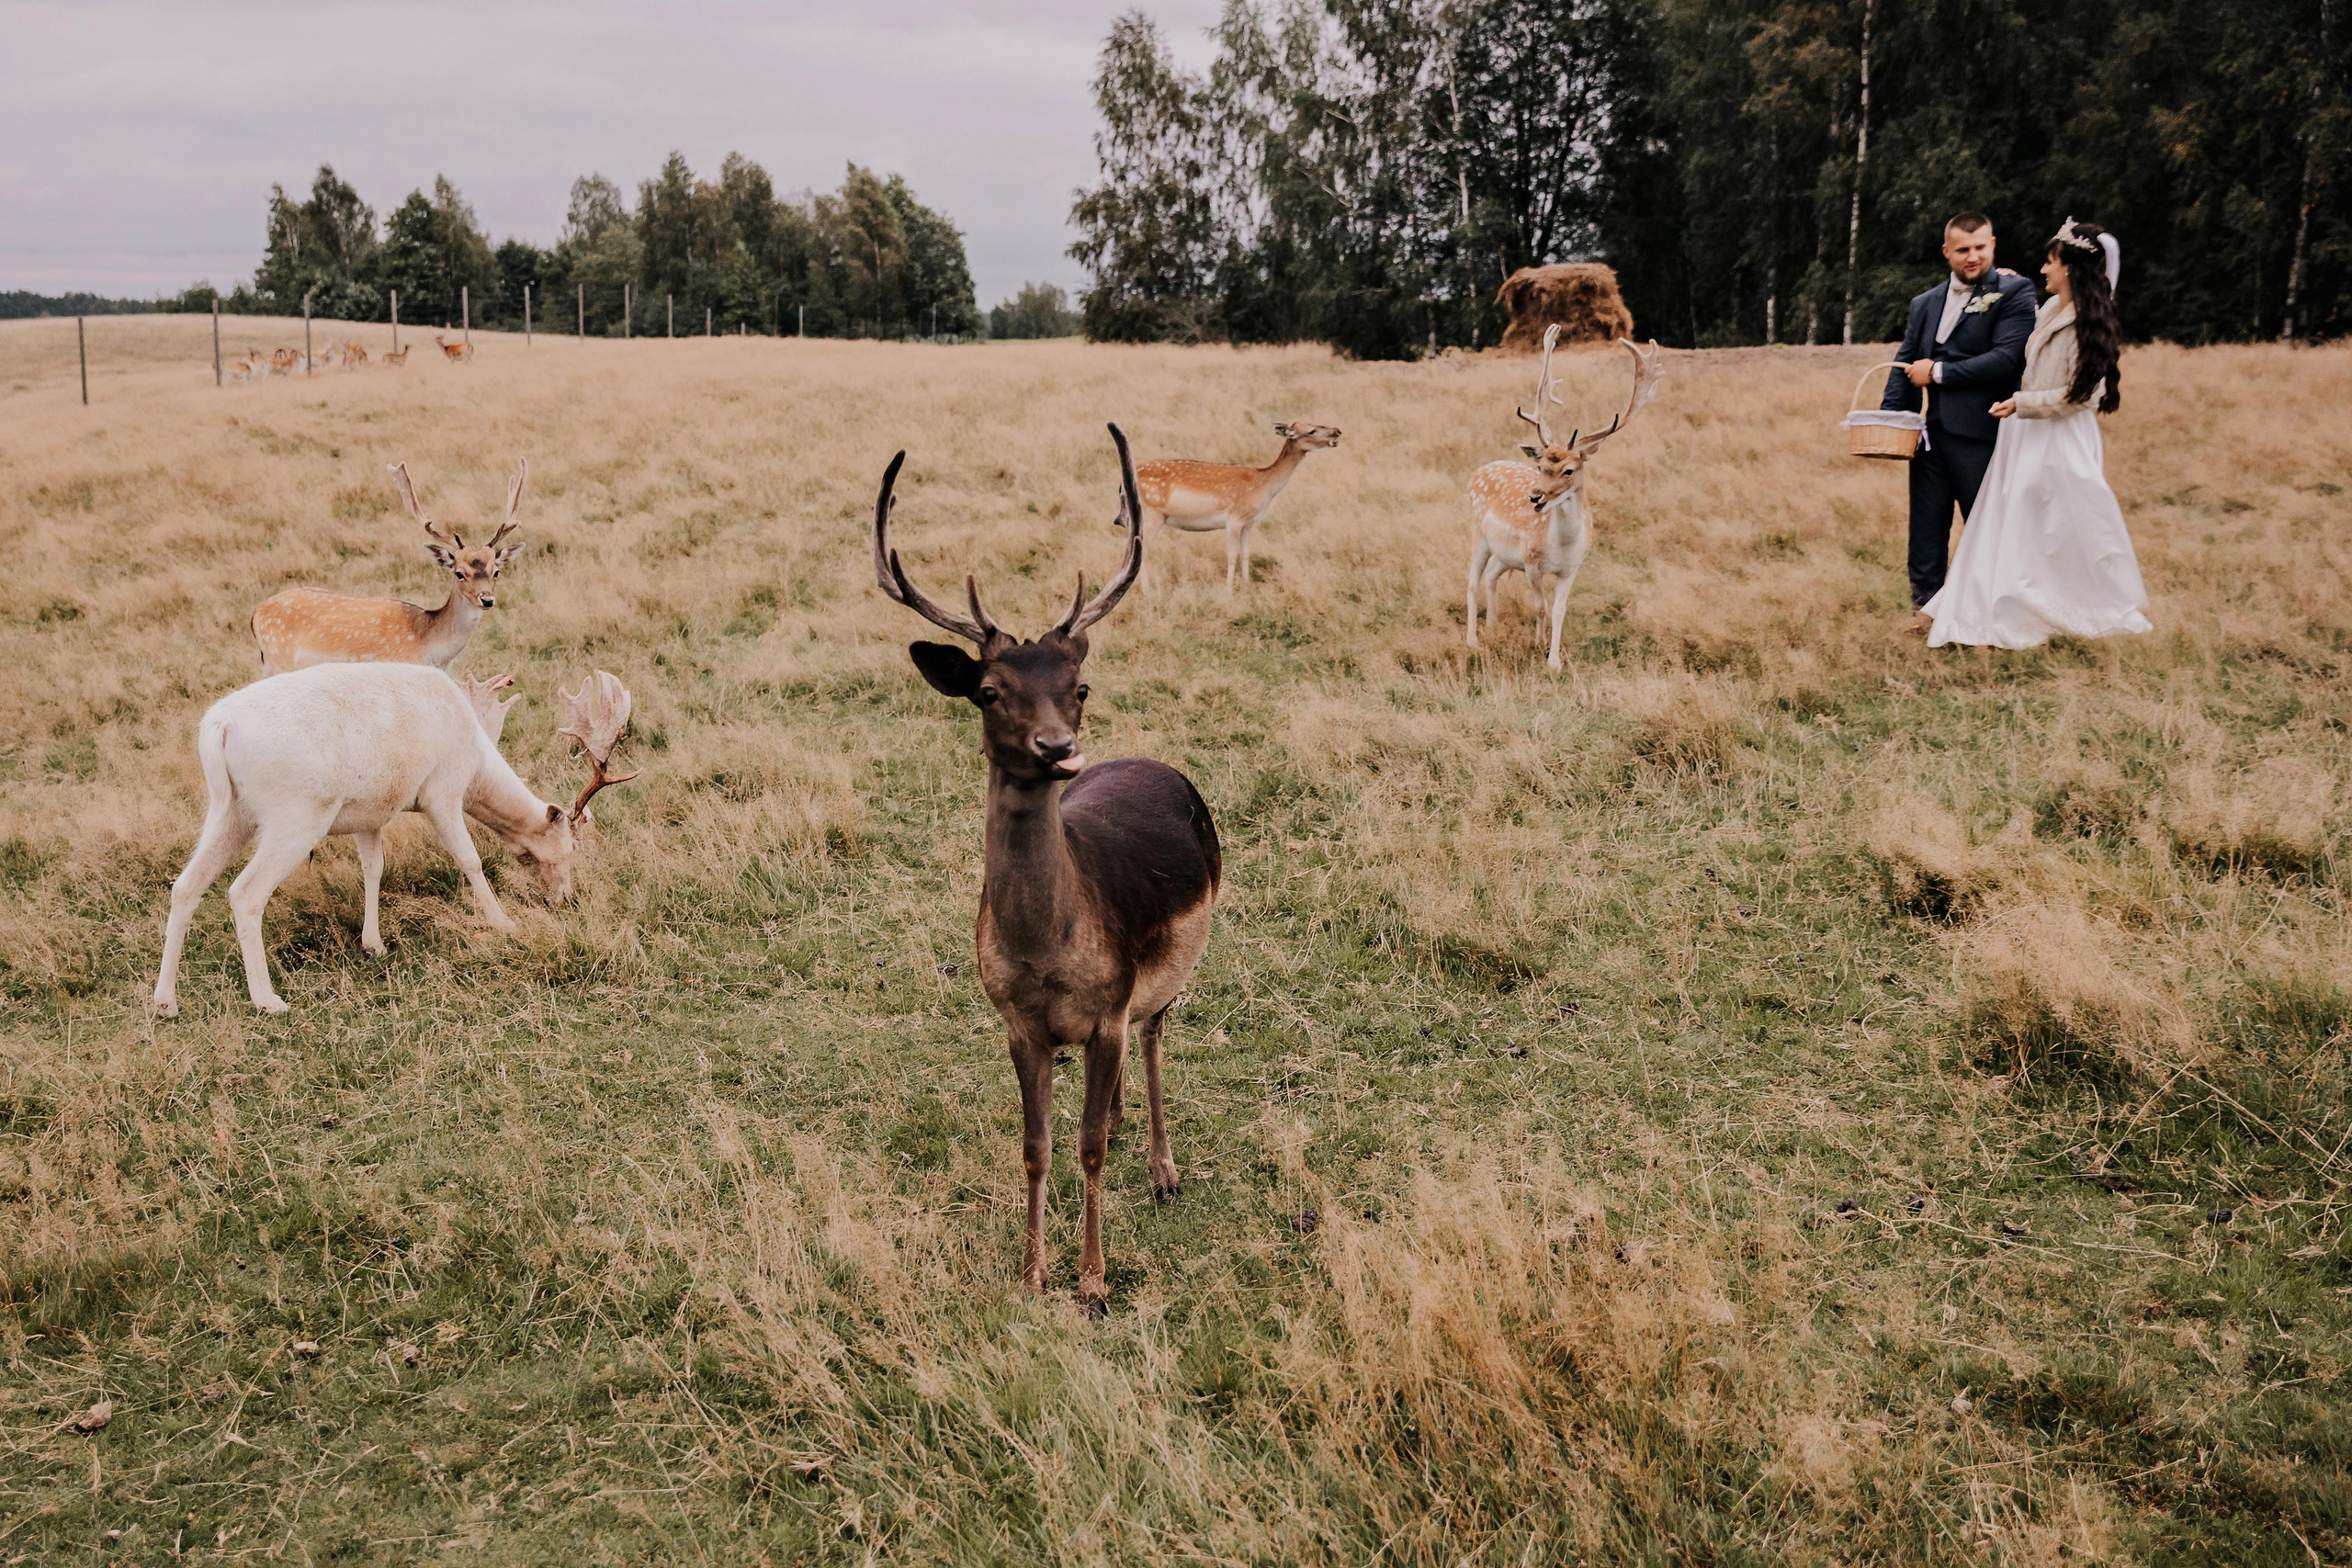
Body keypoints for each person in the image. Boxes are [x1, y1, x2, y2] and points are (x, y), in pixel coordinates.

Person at [1918, 219, 2149, 649]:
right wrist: (2004, 282)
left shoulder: (2087, 321)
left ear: (2070, 269)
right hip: (2024, 435)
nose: (2043, 270)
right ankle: (2006, 605)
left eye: (2050, 262)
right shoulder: (2050, 308)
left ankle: (2066, 609)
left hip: (2058, 437)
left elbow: (2084, 395)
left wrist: (2022, 404)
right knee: (2019, 524)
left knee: (2058, 528)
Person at [1882, 213, 2039, 634]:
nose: (1973, 257)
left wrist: (1937, 373)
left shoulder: (2015, 291)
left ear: (1993, 245)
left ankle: (1994, 615)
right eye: (1963, 249)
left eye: (1981, 247)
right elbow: (1904, 360)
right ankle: (1927, 612)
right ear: (1947, 251)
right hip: (1930, 437)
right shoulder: (1925, 303)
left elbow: (2007, 358)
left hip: (1984, 433)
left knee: (1987, 527)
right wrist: (1892, 417)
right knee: (1926, 529)